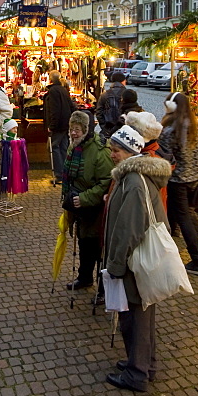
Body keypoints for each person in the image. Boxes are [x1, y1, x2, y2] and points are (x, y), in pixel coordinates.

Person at [103, 125, 172, 393]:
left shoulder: (133, 181)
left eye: (116, 150)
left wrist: (116, 265)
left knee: (136, 317)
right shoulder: (133, 177)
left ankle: (137, 374)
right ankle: (144, 363)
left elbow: (128, 228)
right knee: (141, 315)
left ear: (130, 152)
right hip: (139, 260)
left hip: (136, 262)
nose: (112, 154)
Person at [61, 110, 113, 290]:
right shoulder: (74, 146)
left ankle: (103, 288)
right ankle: (84, 277)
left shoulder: (100, 151)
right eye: (71, 129)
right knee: (83, 242)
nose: (73, 132)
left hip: (95, 207)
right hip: (78, 206)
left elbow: (106, 182)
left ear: (86, 129)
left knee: (96, 246)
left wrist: (84, 198)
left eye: (77, 129)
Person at [158, 92, 198, 276]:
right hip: (193, 178)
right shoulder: (192, 126)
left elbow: (163, 153)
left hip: (177, 180)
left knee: (183, 218)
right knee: (173, 216)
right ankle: (166, 253)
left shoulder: (171, 130)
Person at [43, 70, 73, 183]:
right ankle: (66, 173)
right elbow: (70, 106)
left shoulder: (53, 91)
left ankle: (59, 174)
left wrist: (52, 125)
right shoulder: (63, 90)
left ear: (50, 79)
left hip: (58, 125)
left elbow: (54, 110)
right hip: (65, 123)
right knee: (63, 147)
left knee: (53, 147)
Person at [96, 72, 127, 141]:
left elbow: (98, 112)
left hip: (108, 128)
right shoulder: (127, 93)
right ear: (123, 81)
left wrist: (104, 127)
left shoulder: (105, 94)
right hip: (124, 129)